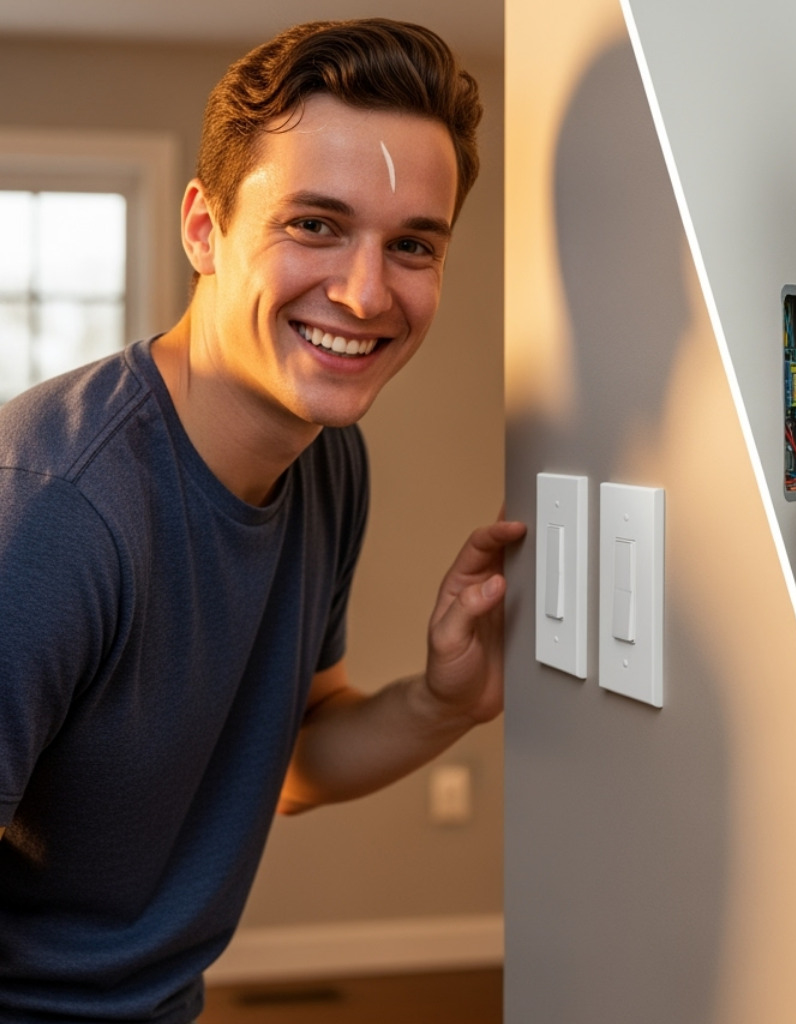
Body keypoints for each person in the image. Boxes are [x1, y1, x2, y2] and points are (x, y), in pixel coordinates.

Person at [0, 20, 523, 1022]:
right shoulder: (55, 510)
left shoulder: (328, 460)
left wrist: (447, 699)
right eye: (315, 224)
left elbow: (289, 760)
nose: (366, 293)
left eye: (412, 243)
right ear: (204, 227)